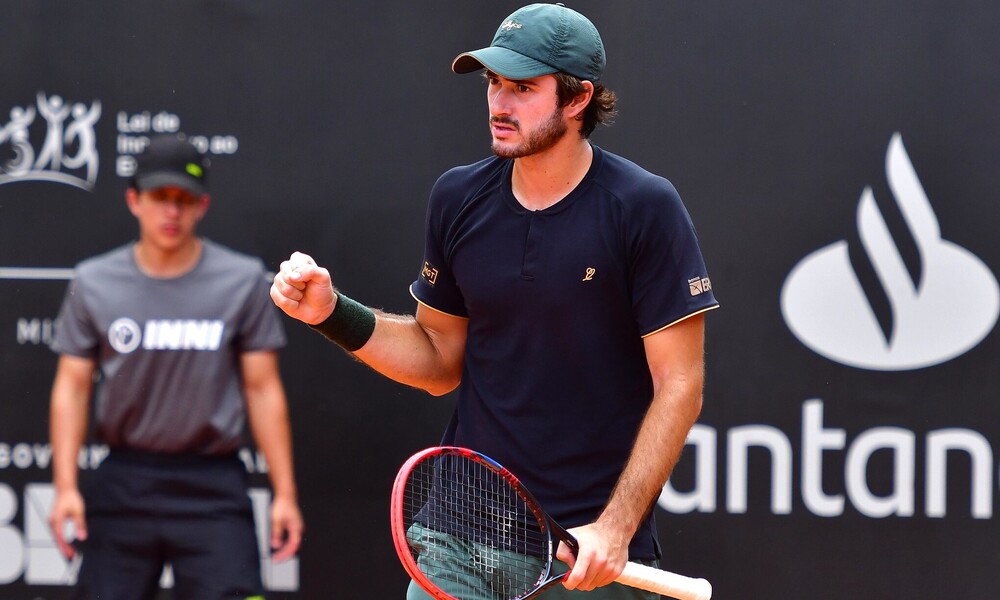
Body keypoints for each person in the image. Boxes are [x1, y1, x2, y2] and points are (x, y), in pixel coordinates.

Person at [272, 3, 717, 598]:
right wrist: (332, 313)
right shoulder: (456, 197)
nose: (499, 104)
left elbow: (680, 385)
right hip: (458, 533)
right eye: (493, 84)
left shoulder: (644, 207)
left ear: (578, 98)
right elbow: (437, 361)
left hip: (585, 550)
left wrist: (614, 528)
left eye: (523, 88)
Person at [49, 133, 304, 600]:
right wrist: (65, 487)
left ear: (202, 205)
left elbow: (263, 389)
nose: (172, 211)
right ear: (134, 200)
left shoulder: (241, 280)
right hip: (124, 482)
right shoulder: (93, 282)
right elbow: (72, 387)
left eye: (184, 200)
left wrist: (283, 492)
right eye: (160, 198)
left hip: (212, 484)